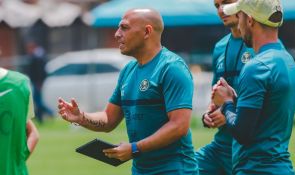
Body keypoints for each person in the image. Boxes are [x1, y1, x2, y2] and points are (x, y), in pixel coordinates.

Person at [58, 8, 198, 175]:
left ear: (147, 31)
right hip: (140, 170)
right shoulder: (128, 71)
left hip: (175, 170)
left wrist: (134, 148)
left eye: (124, 28)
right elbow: (109, 118)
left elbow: (179, 126)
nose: (117, 34)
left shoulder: (172, 68)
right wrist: (81, 117)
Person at [211, 0, 295, 174]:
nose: (239, 22)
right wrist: (236, 98)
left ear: (249, 20)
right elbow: (266, 111)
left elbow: (242, 132)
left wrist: (227, 102)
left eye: (240, 15)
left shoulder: (256, 67)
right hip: (281, 167)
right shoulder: (287, 61)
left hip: (256, 169)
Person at [195, 0, 253, 174]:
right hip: (221, 147)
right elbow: (216, 93)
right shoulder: (220, 47)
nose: (221, 10)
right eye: (216, 5)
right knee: (180, 168)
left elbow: (268, 99)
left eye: (227, 2)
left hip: (250, 149)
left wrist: (228, 111)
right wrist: (209, 113)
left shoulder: (260, 45)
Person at [0, 67, 39, 175]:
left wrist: (17, 162)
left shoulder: (19, 84)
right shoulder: (20, 83)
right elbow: (34, 134)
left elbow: (33, 133)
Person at [26, 41, 53, 123]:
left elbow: (39, 71)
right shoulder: (37, 56)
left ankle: (49, 112)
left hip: (37, 82)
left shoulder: (37, 57)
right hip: (37, 81)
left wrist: (39, 82)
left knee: (38, 101)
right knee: (37, 100)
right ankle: (40, 117)